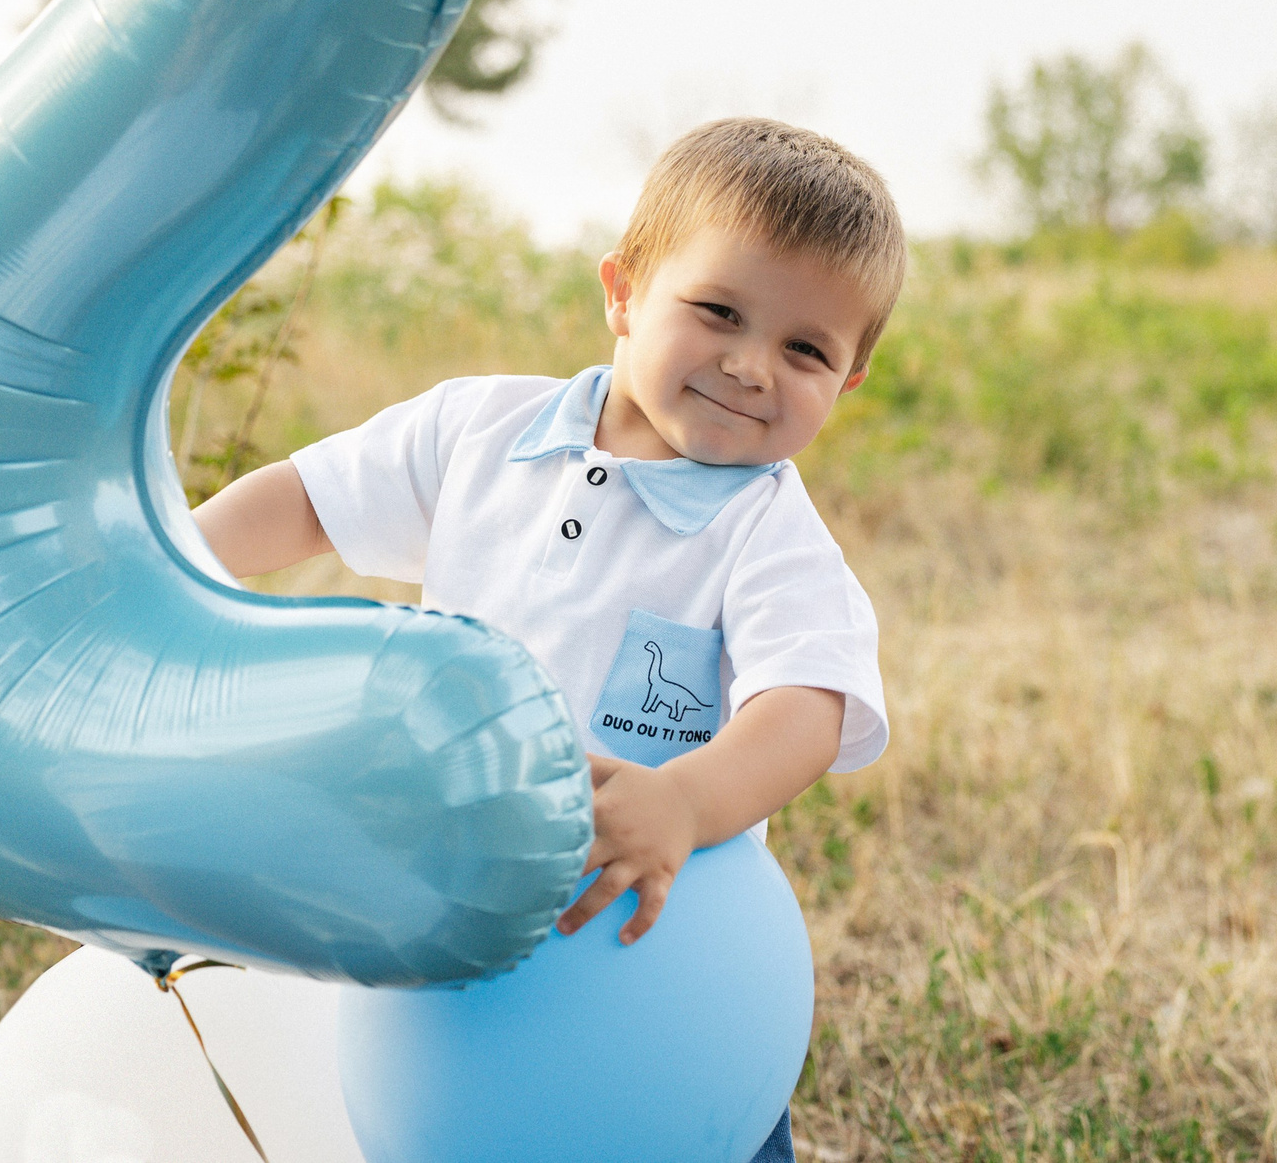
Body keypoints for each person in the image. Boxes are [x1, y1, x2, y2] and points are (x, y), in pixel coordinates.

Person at [193, 116, 902, 1163]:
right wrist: (176, 568)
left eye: (806, 348)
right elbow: (306, 498)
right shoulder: (477, 431)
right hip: (453, 915)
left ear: (844, 384)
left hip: (648, 965)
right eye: (718, 310)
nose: (753, 365)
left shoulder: (765, 531)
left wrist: (686, 800)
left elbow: (807, 704)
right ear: (622, 292)